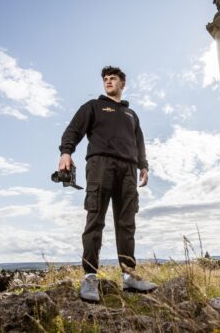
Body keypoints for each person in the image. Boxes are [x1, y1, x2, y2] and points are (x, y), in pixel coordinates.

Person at [58, 66, 157, 302]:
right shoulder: (93, 106)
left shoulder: (131, 115)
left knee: (127, 222)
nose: (108, 81)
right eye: (105, 79)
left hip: (128, 170)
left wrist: (143, 165)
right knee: (95, 220)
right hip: (100, 165)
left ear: (123, 83)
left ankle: (130, 277)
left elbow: (139, 142)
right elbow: (73, 130)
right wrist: (65, 153)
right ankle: (90, 277)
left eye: (113, 78)